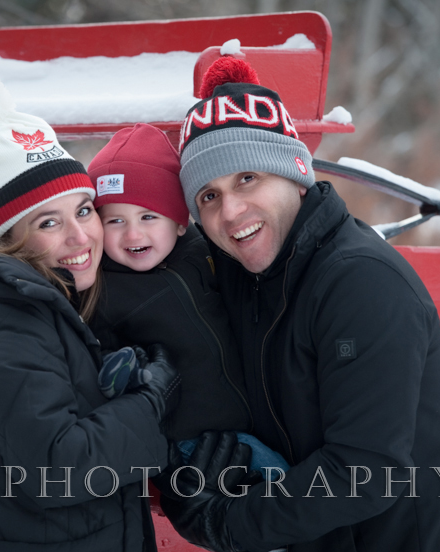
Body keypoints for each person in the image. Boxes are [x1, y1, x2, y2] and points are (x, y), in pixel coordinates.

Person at [157, 57, 440, 551]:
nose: (231, 211)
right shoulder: (249, 274)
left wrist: (227, 523)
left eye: (248, 179)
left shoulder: (361, 283)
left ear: (295, 173)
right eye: (208, 195)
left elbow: (367, 473)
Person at [0, 74, 178, 552]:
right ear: (8, 238)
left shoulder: (48, 303)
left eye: (84, 210)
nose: (81, 237)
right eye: (49, 222)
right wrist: (151, 403)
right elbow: (60, 469)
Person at [86, 122, 289, 475]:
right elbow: (90, 349)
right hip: (191, 440)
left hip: (258, 413)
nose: (133, 233)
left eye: (148, 216)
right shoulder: (102, 286)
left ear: (180, 222)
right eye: (115, 220)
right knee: (282, 481)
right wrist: (122, 366)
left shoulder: (207, 253)